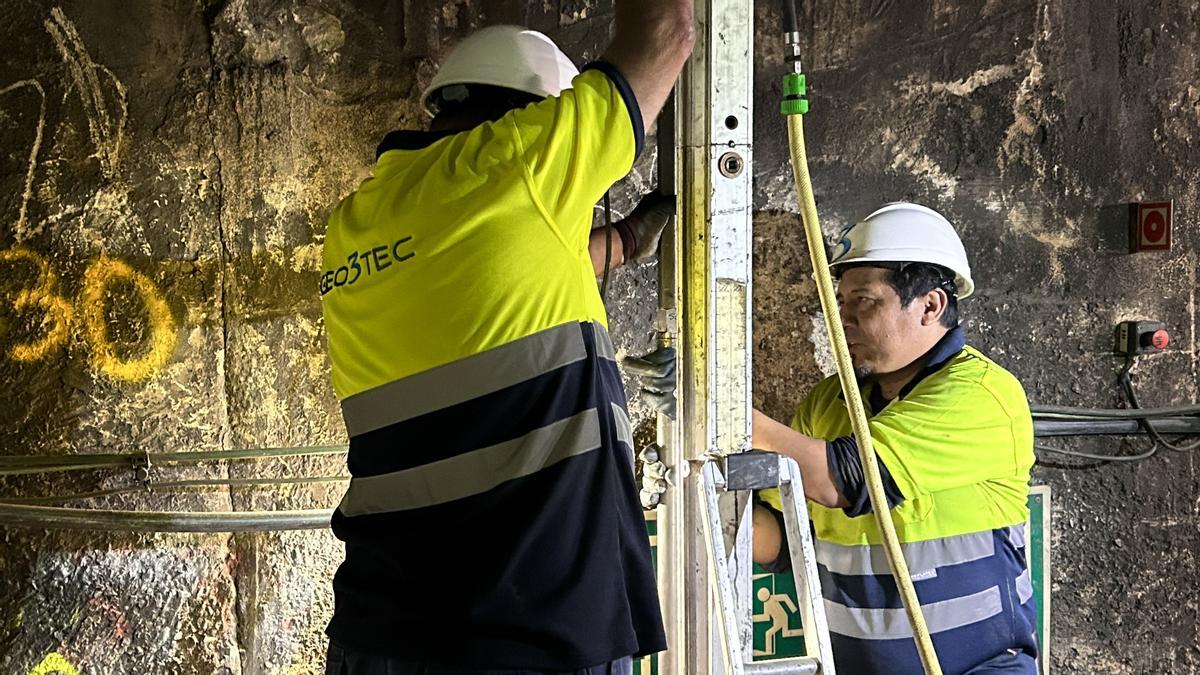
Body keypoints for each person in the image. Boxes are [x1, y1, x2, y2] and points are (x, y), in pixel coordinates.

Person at [318, 4, 695, 673]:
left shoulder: (357, 224)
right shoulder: (523, 158)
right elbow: (667, 34)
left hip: (377, 635)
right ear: (536, 115)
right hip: (529, 632)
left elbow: (506, 260)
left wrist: (627, 241)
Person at [749, 202, 1039, 674]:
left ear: (930, 305)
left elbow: (843, 478)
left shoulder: (982, 396)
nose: (843, 320)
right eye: (839, 304)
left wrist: (721, 406)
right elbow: (784, 537)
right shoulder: (829, 403)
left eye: (864, 302)